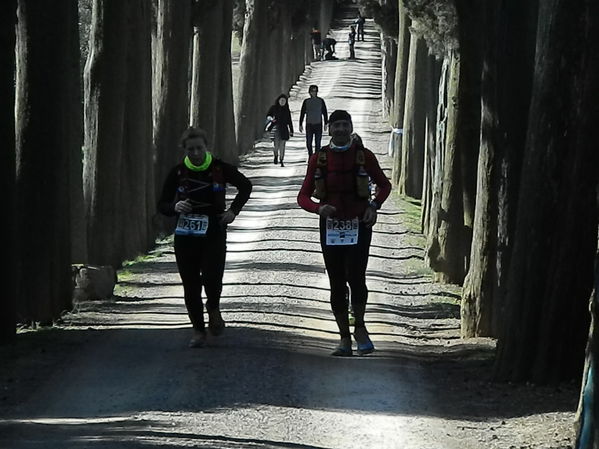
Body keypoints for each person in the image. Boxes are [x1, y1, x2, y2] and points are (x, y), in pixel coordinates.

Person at [297, 110, 391, 357]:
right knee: (336, 282)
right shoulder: (318, 159)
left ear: (350, 127)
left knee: (357, 278)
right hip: (330, 228)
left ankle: (360, 327)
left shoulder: (364, 156)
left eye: (344, 125)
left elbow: (384, 185)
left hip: (359, 225)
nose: (340, 129)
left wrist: (373, 206)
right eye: (335, 125)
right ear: (328, 128)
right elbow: (302, 196)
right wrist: (319, 208)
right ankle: (343, 339)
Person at [158, 127, 252, 348]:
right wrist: (175, 206)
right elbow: (162, 204)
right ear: (185, 150)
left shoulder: (220, 168)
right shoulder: (178, 172)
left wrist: (233, 212)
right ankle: (198, 331)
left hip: (213, 230)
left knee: (212, 276)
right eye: (191, 149)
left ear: (206, 147)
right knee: (190, 284)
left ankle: (213, 307)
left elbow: (245, 186)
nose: (196, 153)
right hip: (185, 234)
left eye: (199, 148)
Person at [299, 85, 328, 158]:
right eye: (312, 91)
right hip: (309, 124)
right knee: (309, 143)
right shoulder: (306, 101)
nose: (314, 93)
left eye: (315, 91)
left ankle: (316, 157)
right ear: (309, 92)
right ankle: (310, 156)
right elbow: (302, 113)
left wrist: (326, 123)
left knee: (317, 143)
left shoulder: (321, 101)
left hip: (318, 124)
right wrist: (300, 124)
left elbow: (324, 112)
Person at [265, 93, 294, 167]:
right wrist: (271, 119)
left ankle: (281, 159)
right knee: (276, 145)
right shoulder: (273, 108)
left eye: (284, 101)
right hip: (275, 128)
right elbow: (268, 116)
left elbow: (289, 121)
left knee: (282, 146)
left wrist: (291, 130)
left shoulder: (287, 110)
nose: (282, 102)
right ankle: (275, 156)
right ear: (278, 100)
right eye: (281, 100)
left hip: (284, 129)